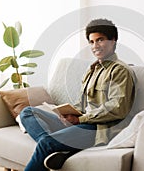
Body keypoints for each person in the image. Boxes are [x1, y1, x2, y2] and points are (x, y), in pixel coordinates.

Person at [20, 18, 136, 171]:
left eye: (100, 40)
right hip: (81, 122)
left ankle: (53, 144)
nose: (95, 46)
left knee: (45, 143)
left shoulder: (120, 70)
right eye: (92, 42)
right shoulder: (92, 69)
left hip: (98, 128)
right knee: (28, 112)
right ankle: (59, 147)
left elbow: (117, 108)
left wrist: (81, 119)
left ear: (113, 40)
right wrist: (66, 113)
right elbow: (82, 104)